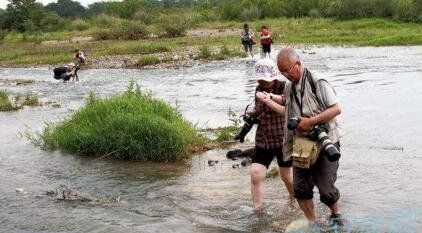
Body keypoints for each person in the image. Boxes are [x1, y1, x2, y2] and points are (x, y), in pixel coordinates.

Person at [276, 47, 344, 227]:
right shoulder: (289, 87)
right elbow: (286, 105)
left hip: (325, 140)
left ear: (297, 64)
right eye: (281, 72)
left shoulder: (318, 81)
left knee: (326, 190)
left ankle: (336, 215)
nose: (285, 75)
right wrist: (269, 99)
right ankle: (313, 224)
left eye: (287, 70)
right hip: (302, 143)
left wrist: (311, 121)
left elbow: (336, 109)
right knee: (300, 189)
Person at [246, 58, 294, 213]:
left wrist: (267, 99)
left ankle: (296, 200)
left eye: (265, 79)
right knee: (255, 173)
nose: (263, 82)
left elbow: (287, 111)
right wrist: (253, 112)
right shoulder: (258, 88)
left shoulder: (285, 87)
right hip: (263, 139)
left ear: (274, 75)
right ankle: (258, 210)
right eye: (260, 79)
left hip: (283, 139)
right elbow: (259, 109)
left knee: (286, 176)